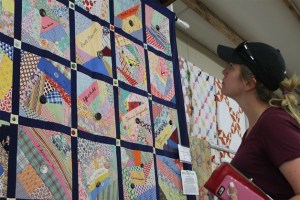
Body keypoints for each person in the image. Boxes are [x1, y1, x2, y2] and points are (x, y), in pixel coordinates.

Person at [217, 41, 300, 200]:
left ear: (249, 83)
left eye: (231, 66)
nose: (224, 71)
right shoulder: (255, 128)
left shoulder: (274, 123)